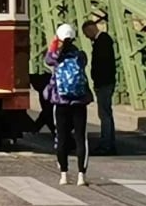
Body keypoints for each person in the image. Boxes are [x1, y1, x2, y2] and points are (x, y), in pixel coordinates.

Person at [44, 23, 93, 186]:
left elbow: (48, 59)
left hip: (61, 101)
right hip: (79, 101)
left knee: (62, 137)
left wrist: (54, 43)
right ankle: (81, 176)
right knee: (80, 138)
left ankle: (63, 175)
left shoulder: (55, 58)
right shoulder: (81, 56)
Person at [83, 19, 117, 155]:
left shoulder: (101, 42)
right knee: (107, 113)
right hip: (106, 82)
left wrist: (97, 82)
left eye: (86, 33)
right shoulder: (104, 41)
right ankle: (109, 143)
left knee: (104, 115)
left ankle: (106, 145)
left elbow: (101, 65)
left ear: (90, 30)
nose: (86, 36)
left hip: (104, 83)